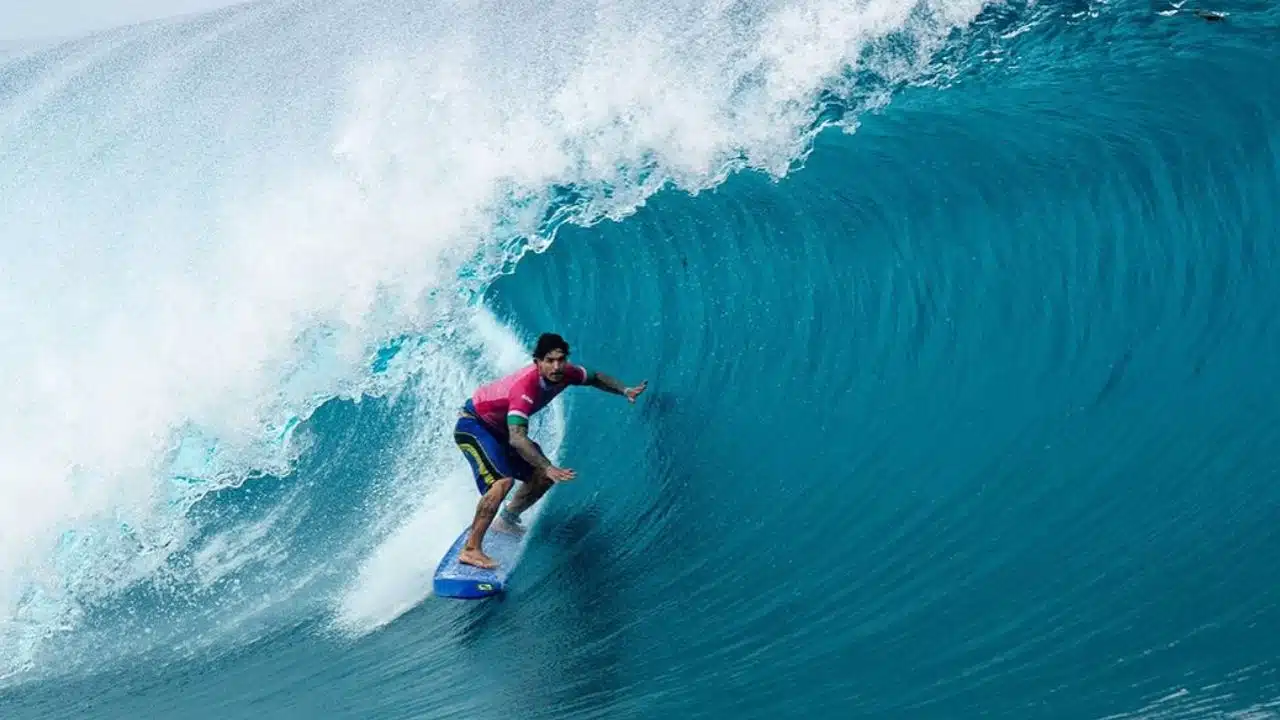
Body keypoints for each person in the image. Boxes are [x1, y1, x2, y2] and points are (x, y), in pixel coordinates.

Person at [453, 332, 647, 569]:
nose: (556, 366)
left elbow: (595, 377)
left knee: (543, 477)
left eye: (560, 359)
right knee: (502, 483)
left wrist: (624, 390)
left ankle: (507, 519)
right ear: (537, 362)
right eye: (549, 360)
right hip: (474, 425)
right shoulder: (525, 388)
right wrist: (547, 465)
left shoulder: (567, 373)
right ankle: (471, 549)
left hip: (499, 430)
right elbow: (517, 438)